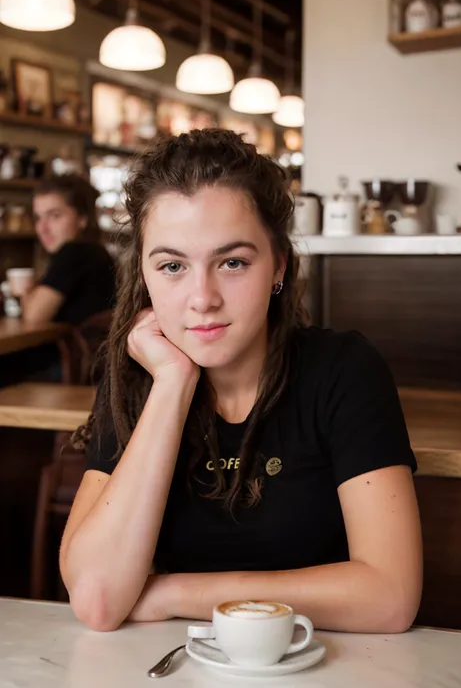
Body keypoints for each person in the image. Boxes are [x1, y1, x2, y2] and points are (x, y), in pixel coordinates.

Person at [60, 129, 422, 634]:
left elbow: (389, 597)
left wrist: (170, 593)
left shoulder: (344, 369)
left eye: (232, 262)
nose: (202, 297)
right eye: (172, 266)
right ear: (143, 275)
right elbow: (98, 600)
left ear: (278, 265)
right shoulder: (138, 379)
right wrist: (173, 382)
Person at [23, 174, 115, 326]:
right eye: (38, 218)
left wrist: (25, 293)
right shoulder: (95, 251)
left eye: (55, 216)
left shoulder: (74, 253)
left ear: (82, 219)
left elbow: (33, 318)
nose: (42, 228)